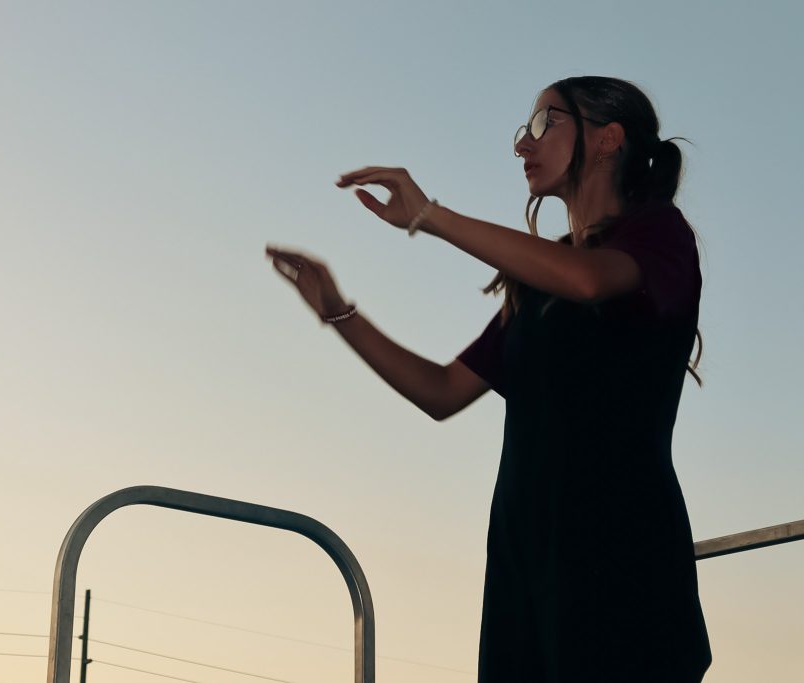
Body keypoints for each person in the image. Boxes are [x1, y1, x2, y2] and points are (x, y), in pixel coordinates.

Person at [265, 75, 712, 683]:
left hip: (622, 558)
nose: (522, 146)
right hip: (523, 557)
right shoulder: (533, 283)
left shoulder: (659, 236)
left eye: (544, 123)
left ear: (608, 139)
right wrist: (339, 313)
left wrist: (430, 216)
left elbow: (589, 280)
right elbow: (444, 390)